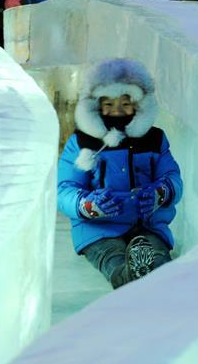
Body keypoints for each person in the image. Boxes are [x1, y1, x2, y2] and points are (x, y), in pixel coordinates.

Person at [57, 59, 183, 288]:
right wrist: (87, 205)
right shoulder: (82, 143)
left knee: (157, 254)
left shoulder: (154, 140)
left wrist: (160, 194)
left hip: (147, 225)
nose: (117, 111)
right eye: (109, 104)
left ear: (140, 104)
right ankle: (125, 276)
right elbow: (65, 189)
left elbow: (172, 177)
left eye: (125, 103)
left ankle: (154, 274)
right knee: (110, 256)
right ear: (96, 105)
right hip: (99, 229)